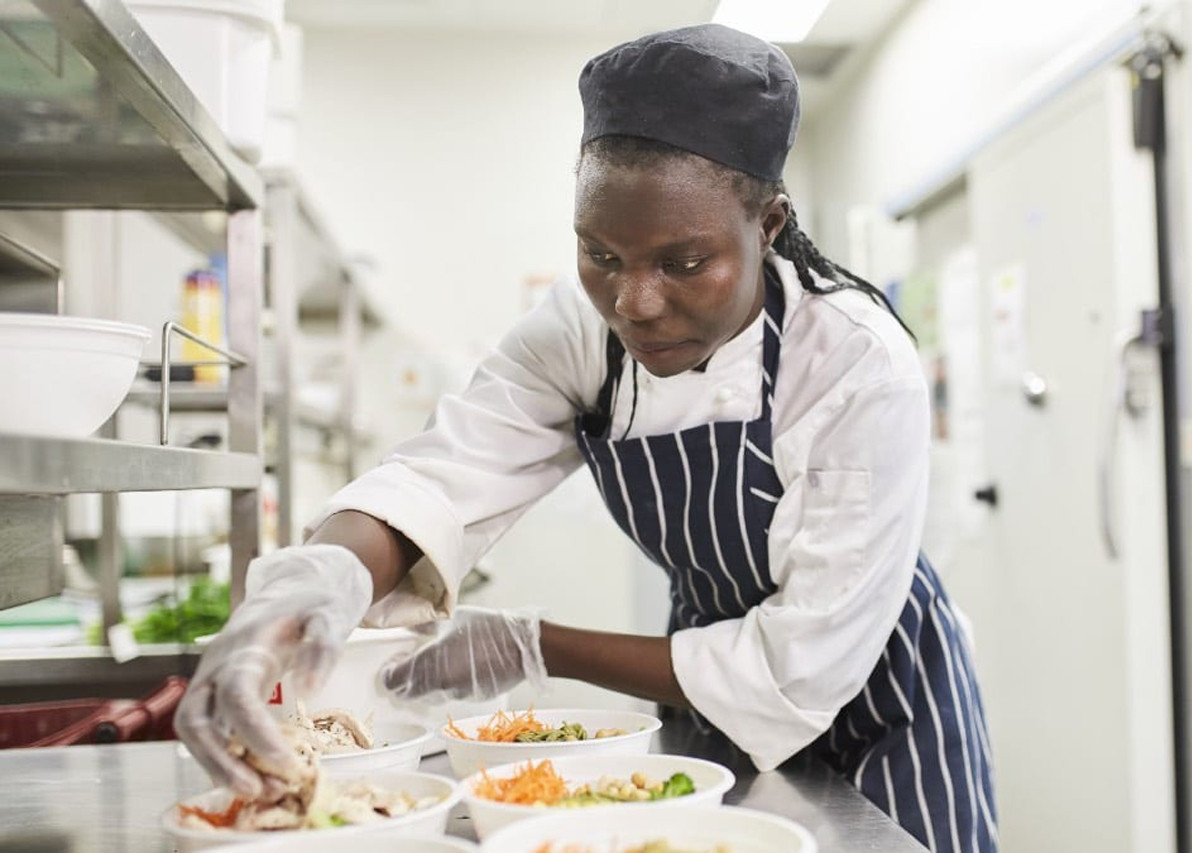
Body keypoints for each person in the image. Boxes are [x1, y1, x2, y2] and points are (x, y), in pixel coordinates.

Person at [176, 23, 996, 853]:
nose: (633, 302)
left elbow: (795, 671)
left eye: (682, 263)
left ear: (771, 223)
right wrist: (317, 578)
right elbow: (443, 475)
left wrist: (533, 645)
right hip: (705, 692)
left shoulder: (854, 359)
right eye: (600, 252)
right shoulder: (581, 333)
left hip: (881, 702)